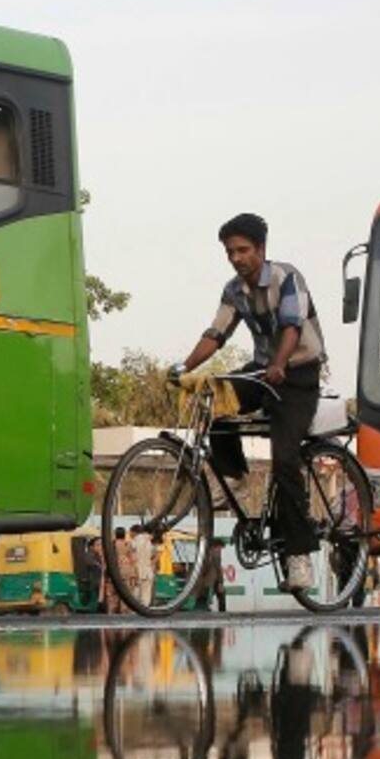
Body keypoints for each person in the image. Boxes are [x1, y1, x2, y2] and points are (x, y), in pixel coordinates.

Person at [173, 213, 328, 591]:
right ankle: (236, 478)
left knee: (286, 459)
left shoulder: (286, 278)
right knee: (215, 398)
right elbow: (216, 334)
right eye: (230, 252)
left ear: (261, 249)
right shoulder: (234, 290)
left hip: (298, 375)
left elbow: (291, 327)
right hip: (262, 371)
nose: (236, 258)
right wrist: (184, 366)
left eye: (243, 250)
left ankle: (299, 556)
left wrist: (279, 364)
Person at [109, 525, 138, 610]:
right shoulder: (128, 544)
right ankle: (124, 609)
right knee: (126, 591)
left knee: (113, 591)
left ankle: (112, 610)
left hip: (114, 568)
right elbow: (132, 559)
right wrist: (135, 573)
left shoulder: (112, 544)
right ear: (124, 534)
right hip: (126, 568)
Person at [199, 537, 229, 613]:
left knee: (208, 595)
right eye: (220, 548)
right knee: (220, 595)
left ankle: (206, 609)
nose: (220, 550)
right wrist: (220, 582)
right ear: (216, 546)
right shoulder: (215, 554)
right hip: (212, 579)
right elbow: (218, 568)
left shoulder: (207, 553)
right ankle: (222, 612)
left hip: (207, 579)